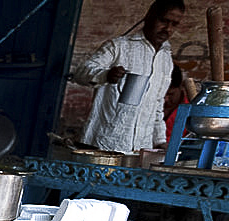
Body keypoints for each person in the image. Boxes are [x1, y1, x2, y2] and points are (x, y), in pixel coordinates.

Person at [72, 0, 184, 152]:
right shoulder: (119, 47)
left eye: (174, 24)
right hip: (103, 144)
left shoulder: (166, 60)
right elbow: (81, 72)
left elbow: (157, 105)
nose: (168, 29)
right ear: (149, 17)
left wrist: (159, 141)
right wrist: (105, 75)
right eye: (163, 21)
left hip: (139, 149)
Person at [164, 64, 189, 141]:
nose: (166, 99)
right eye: (162, 95)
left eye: (170, 94)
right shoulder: (151, 106)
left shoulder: (189, 112)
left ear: (181, 87)